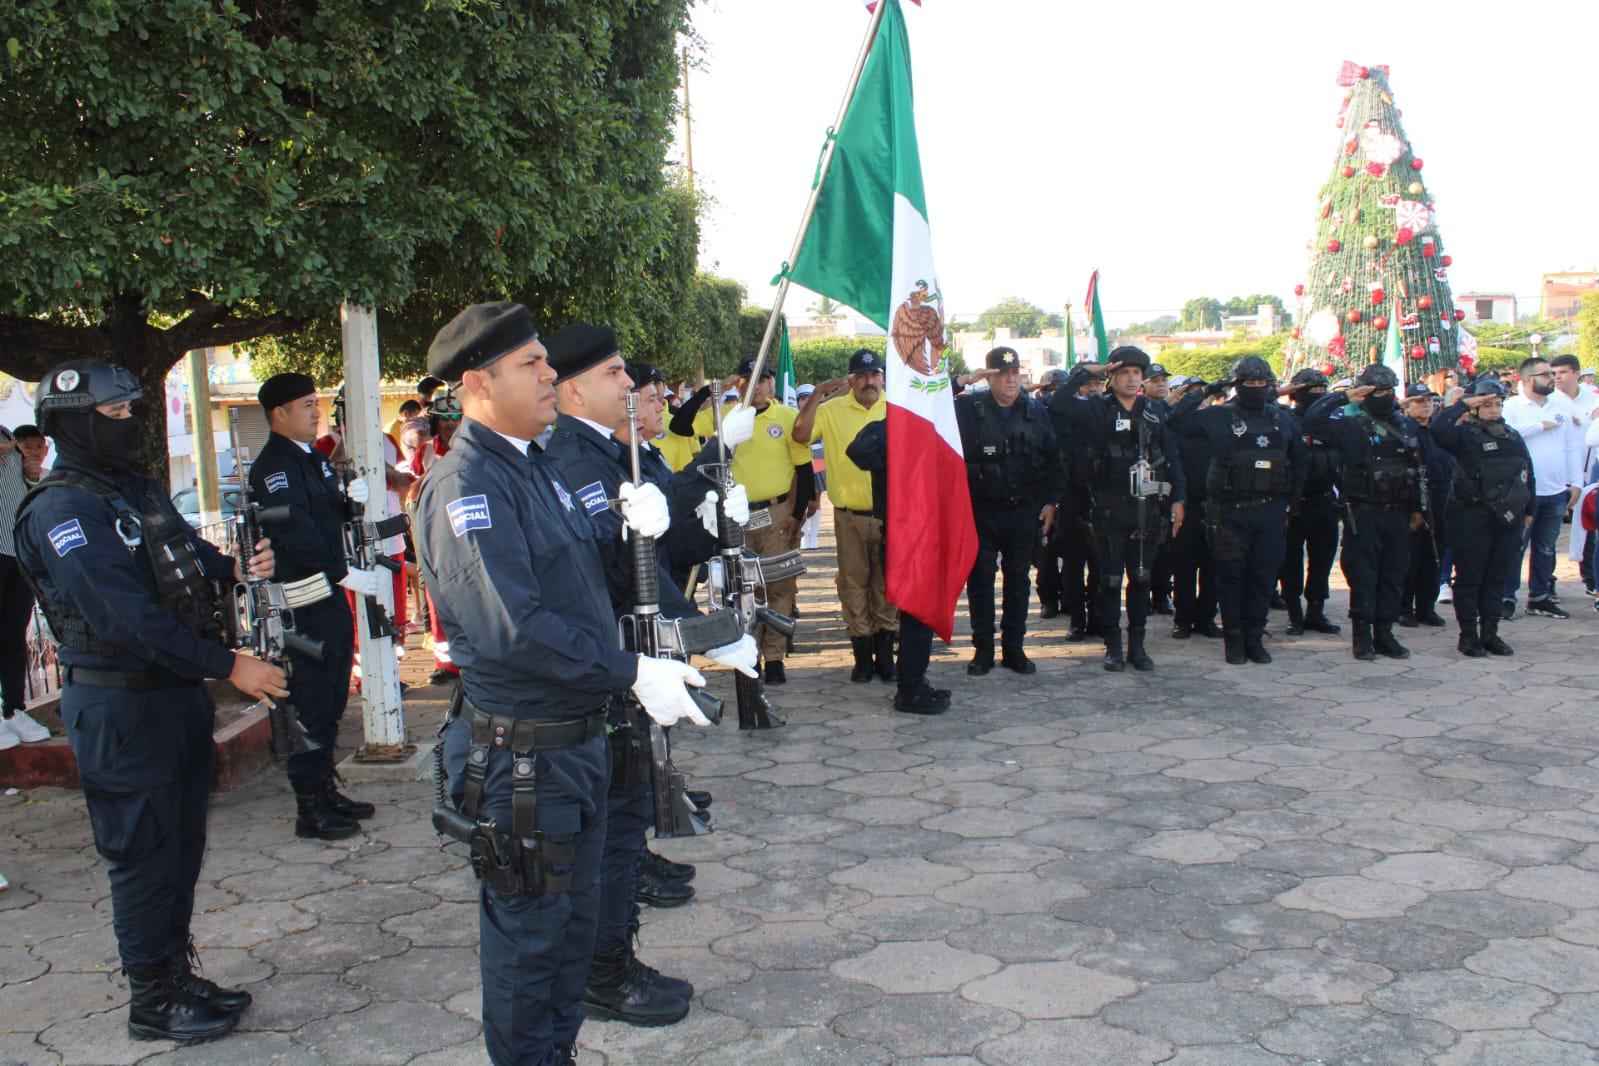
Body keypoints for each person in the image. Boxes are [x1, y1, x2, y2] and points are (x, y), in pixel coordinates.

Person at [416, 303, 714, 1066]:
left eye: (548, 360)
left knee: (571, 934)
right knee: (530, 945)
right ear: (478, 383)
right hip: (525, 759)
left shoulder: (533, 465)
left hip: (574, 744)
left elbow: (592, 583)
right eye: (530, 365)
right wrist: (630, 669)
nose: (550, 374)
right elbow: (512, 628)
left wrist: (641, 527)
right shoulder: (468, 486)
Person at [15, 359, 288, 1044]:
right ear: (75, 424)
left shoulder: (131, 491)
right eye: (116, 415)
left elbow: (182, 550)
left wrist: (231, 566)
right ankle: (152, 1000)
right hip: (119, 709)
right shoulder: (62, 509)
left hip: (171, 700)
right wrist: (232, 666)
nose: (132, 425)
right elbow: (123, 620)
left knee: (180, 847)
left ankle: (175, 973)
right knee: (143, 856)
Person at [541, 325, 756, 1029]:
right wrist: (702, 634)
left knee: (626, 822)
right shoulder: (573, 458)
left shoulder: (611, 449)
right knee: (611, 832)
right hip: (610, 667)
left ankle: (611, 958)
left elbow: (660, 551)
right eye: (613, 375)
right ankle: (602, 972)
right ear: (575, 388)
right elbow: (615, 570)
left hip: (632, 661)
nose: (630, 387)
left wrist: (710, 511)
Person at [250, 373, 380, 840]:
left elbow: (327, 514)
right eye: (305, 405)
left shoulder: (314, 460)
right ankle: (310, 806)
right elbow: (293, 531)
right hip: (304, 602)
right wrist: (338, 572)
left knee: (331, 699)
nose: (315, 411)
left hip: (327, 598)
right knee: (309, 702)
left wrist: (349, 502)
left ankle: (325, 788)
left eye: (315, 403)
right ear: (279, 413)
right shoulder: (274, 467)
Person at [674, 358, 813, 685]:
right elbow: (681, 426)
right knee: (742, 590)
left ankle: (775, 656)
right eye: (751, 380)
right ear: (740, 385)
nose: (759, 387)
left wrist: (797, 515)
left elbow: (804, 471)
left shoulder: (788, 417)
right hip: (735, 516)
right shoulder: (726, 417)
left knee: (779, 586)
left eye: (764, 380)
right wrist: (711, 391)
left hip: (777, 513)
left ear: (772, 384)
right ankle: (750, 653)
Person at [1048, 348, 1186, 672]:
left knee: (1140, 579)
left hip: (1146, 508)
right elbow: (1058, 404)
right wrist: (1086, 372)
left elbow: (1172, 456)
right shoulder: (1096, 409)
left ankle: (1137, 646)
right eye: (1124, 372)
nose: (1133, 377)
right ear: (1111, 377)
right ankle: (1112, 646)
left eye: (1138, 372)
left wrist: (1179, 498)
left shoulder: (1153, 410)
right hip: (1108, 510)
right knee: (1109, 581)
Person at [1168, 357, 1306, 665]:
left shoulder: (1282, 419)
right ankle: (1233, 639)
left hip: (1270, 511)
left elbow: (1299, 459)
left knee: (1262, 577)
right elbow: (1176, 420)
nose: (1256, 389)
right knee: (1230, 577)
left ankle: (1253, 637)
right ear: (1236, 386)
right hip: (1229, 512)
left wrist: (1291, 503)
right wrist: (1206, 391)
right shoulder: (1218, 416)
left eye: (1262, 384)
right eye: (1249, 384)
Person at [1304, 364, 1428, 661]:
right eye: (1377, 392)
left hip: (1398, 513)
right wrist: (1345, 397)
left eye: (1388, 391)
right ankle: (1362, 636)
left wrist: (1418, 509)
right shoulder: (1350, 426)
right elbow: (1312, 420)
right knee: (1363, 576)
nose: (1384, 396)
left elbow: (1418, 469)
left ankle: (1385, 634)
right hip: (1364, 513)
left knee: (1393, 574)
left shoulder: (1405, 425)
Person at [954, 346, 1060, 675]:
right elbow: (930, 399)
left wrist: (1051, 503)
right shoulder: (968, 408)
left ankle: (1014, 648)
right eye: (1002, 374)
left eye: (1015, 373)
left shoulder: (1036, 410)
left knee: (1018, 582)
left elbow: (1054, 460)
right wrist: (963, 379)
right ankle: (983, 649)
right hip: (981, 512)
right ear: (989, 377)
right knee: (981, 582)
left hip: (1022, 511)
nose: (1011, 380)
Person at [794, 349, 897, 683]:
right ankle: (862, 655)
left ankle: (886, 654)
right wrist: (820, 394)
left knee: (886, 585)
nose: (869, 381)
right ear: (850, 380)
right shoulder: (832, 410)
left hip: (890, 514)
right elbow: (800, 435)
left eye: (874, 374)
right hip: (849, 515)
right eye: (861, 375)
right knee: (853, 585)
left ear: (882, 377)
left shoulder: (896, 409)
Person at [845, 417, 950, 714]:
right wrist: (899, 422)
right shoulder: (890, 428)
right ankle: (910, 690)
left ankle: (914, 681)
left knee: (922, 616)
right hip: (903, 535)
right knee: (916, 614)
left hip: (932, 530)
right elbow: (857, 453)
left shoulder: (935, 423)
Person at [1427, 378, 1534, 656]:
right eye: (1486, 404)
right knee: (1470, 577)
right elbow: (1437, 428)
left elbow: (1527, 472)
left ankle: (1490, 632)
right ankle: (1469, 635)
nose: (1493, 409)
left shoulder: (1511, 434)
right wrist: (1464, 403)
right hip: (1471, 517)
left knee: (1496, 576)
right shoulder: (1462, 435)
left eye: (1497, 404)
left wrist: (1529, 511)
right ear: (1475, 407)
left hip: (1507, 518)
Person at [1502, 355, 1584, 619]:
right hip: (1523, 492)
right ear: (1528, 379)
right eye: (1546, 374)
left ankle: (1540, 596)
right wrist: (1539, 426)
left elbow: (1572, 445)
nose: (1553, 378)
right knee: (1516, 546)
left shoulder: (1559, 405)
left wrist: (1576, 483)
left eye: (1553, 374)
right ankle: (1505, 596)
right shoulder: (1512, 406)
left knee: (1546, 547)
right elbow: (1507, 433)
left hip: (1556, 490)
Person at [1277, 369, 1343, 636]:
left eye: (1320, 389)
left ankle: (1316, 611)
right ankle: (1294, 612)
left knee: (1322, 561)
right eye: (1309, 389)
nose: (1316, 394)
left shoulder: (1333, 423)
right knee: (1290, 561)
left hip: (1324, 500)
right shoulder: (1284, 419)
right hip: (1294, 504)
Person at [0, 422, 49, 748]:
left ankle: (14, 709)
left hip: (15, 553)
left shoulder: (7, 437)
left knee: (13, 634)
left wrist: (32, 474)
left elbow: (25, 493)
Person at [1164, 377, 1221, 641]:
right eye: (1193, 394)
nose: (1201, 399)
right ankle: (1183, 619)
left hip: (1215, 508)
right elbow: (1178, 416)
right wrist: (1194, 396)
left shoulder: (1217, 425)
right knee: (1184, 567)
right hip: (1186, 507)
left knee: (1213, 568)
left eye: (1204, 394)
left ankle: (1207, 618)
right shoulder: (1176, 428)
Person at [1398, 383, 1452, 628]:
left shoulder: (1438, 431)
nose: (1427, 404)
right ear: (1407, 405)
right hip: (1412, 502)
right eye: (1420, 400)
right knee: (1408, 558)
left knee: (1434, 557)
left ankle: (1426, 607)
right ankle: (1404, 607)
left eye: (1430, 400)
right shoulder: (1402, 430)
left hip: (1439, 500)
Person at [1031, 369, 1070, 619]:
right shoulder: (1035, 413)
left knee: (1073, 553)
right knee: (1045, 553)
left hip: (1070, 492)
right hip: (1041, 493)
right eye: (1050, 389)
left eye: (1060, 388)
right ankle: (1049, 599)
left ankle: (1070, 597)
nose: (1054, 394)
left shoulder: (1075, 414)